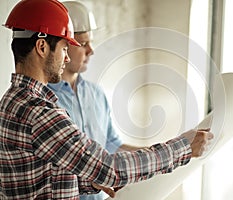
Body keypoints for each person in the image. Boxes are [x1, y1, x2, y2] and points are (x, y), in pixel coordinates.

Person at [0, 0, 213, 199]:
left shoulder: (13, 101)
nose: (66, 57)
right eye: (65, 48)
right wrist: (183, 147)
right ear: (42, 47)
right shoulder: (39, 112)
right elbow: (110, 168)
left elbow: (45, 177)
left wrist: (90, 184)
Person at [47, 1, 140, 199]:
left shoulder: (97, 94)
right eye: (83, 44)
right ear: (63, 45)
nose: (91, 50)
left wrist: (157, 151)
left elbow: (112, 145)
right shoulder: (44, 102)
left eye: (91, 42)